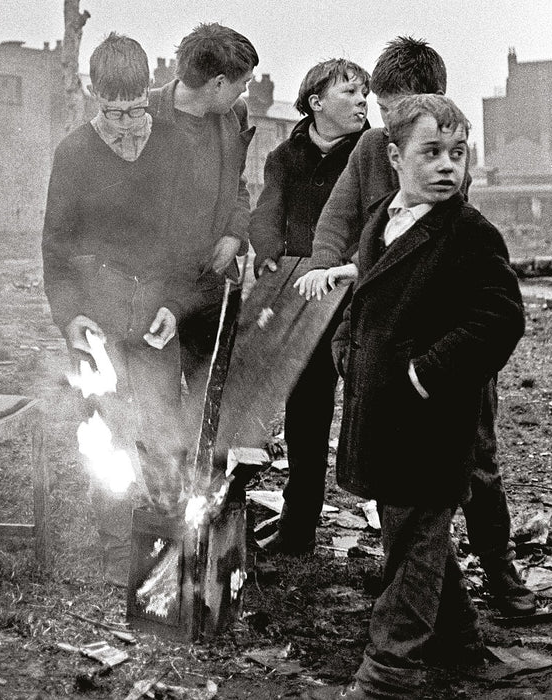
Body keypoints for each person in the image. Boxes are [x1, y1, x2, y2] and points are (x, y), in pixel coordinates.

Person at [295, 36, 536, 616]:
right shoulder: (373, 148)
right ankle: (415, 583)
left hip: (447, 353)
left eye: (403, 108)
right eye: (384, 112)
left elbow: (447, 253)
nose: (390, 122)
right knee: (398, 470)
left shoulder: (441, 158)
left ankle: (499, 576)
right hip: (390, 345)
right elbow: (339, 218)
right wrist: (330, 270)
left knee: (475, 462)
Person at [42, 34, 195, 587]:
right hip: (98, 319)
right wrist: (71, 318)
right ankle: (113, 551)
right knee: (105, 433)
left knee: (160, 428)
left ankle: (161, 546)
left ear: (148, 97)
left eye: (136, 110)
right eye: (113, 112)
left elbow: (187, 246)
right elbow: (56, 251)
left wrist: (175, 306)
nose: (128, 125)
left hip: (155, 317)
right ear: (91, 95)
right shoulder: (74, 154)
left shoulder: (173, 149)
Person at [247, 59, 370, 554]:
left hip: (359, 296)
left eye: (365, 93)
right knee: (307, 413)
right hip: (304, 299)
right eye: (350, 93)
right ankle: (299, 527)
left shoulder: (373, 152)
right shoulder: (284, 156)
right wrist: (269, 252)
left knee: (371, 413)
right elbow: (266, 214)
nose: (363, 101)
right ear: (316, 103)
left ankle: (403, 534)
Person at [147, 23, 258, 431]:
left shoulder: (232, 115)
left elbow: (239, 185)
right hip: (154, 291)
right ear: (217, 82)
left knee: (213, 399)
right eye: (242, 84)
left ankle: (210, 493)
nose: (245, 93)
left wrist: (234, 232)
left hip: (213, 286)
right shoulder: (142, 119)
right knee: (157, 404)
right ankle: (164, 495)